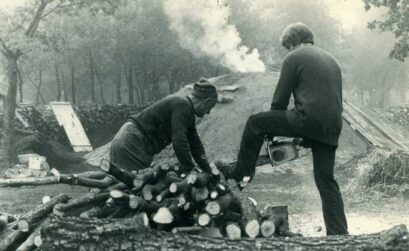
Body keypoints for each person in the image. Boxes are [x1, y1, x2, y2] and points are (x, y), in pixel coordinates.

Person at [230, 22, 348, 235]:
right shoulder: (332, 60)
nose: (287, 51)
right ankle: (339, 234)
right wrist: (309, 135)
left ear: (293, 42)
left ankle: (241, 174)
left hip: (308, 119)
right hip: (333, 125)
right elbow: (329, 100)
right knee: (326, 180)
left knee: (255, 122)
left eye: (287, 47)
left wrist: (271, 132)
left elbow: (280, 100)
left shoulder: (294, 57)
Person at [109, 78, 218, 174]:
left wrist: (208, 170)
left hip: (130, 140)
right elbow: (179, 141)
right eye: (210, 107)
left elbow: (196, 146)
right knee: (133, 185)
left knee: (128, 183)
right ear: (206, 101)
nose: (208, 112)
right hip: (132, 142)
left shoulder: (186, 111)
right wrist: (190, 168)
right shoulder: (182, 106)